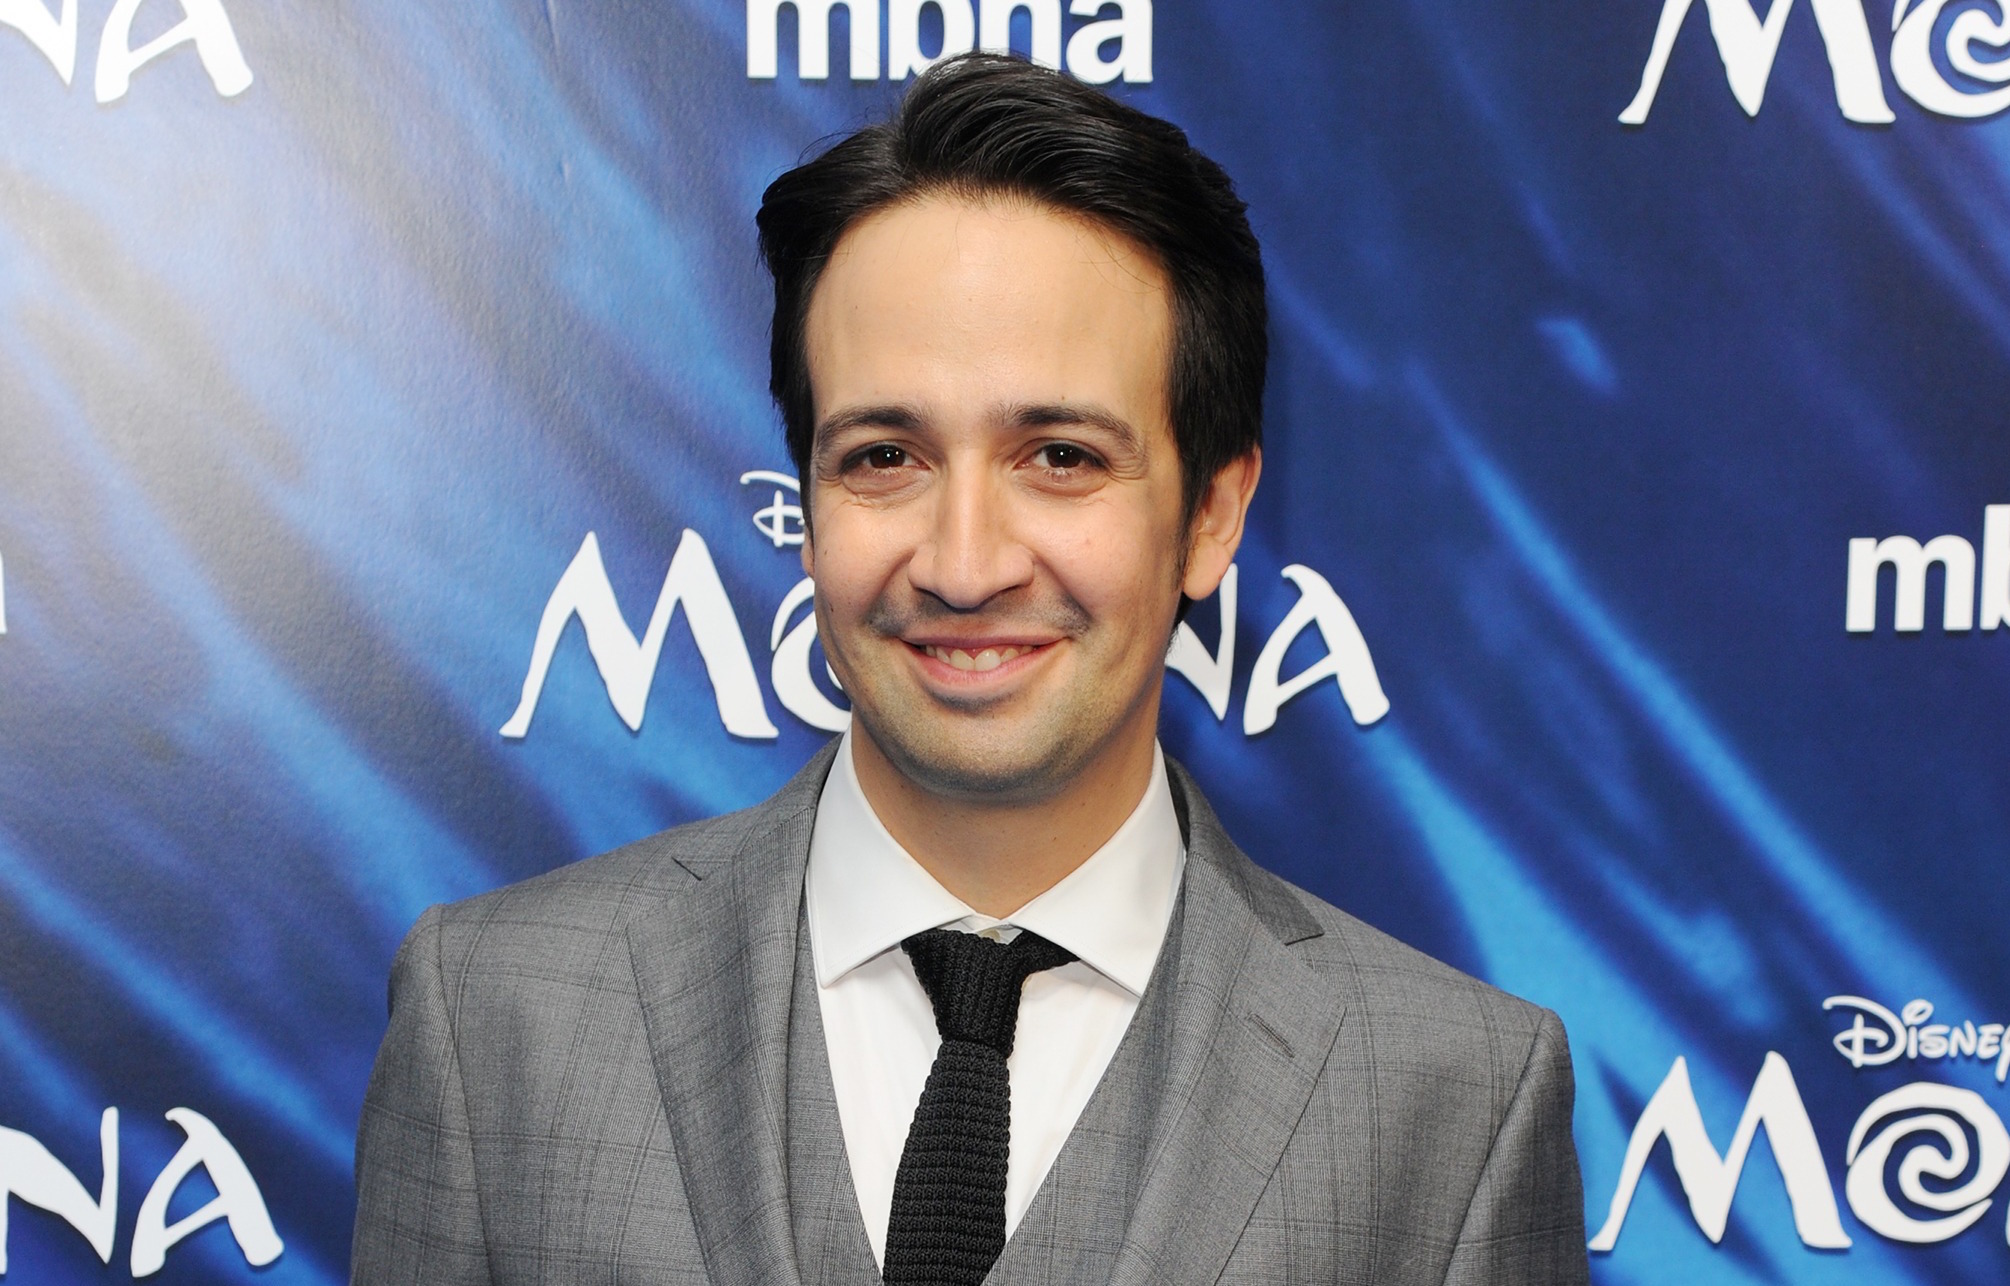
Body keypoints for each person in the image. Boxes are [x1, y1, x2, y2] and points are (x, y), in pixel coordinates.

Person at [351, 53, 1590, 1286]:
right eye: (885, 456)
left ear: (1212, 514)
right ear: (807, 497)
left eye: (1058, 455)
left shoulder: (1455, 1099)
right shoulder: (494, 1019)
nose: (963, 562)